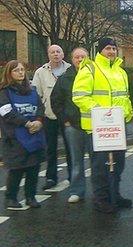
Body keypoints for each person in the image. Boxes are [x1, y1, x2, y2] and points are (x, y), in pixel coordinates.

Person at [72, 37, 133, 213]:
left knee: (118, 163)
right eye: (108, 48)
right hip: (97, 127)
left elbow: (124, 96)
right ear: (100, 51)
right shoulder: (90, 68)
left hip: (117, 126)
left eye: (114, 48)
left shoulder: (120, 72)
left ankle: (115, 194)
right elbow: (79, 95)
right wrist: (100, 112)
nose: (112, 52)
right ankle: (101, 199)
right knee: (100, 166)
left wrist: (127, 113)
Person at [0, 60, 45, 209]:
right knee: (17, 169)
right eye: (16, 70)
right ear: (9, 73)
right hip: (14, 137)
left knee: (34, 168)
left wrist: (38, 121)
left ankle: (30, 197)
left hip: (34, 135)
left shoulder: (32, 90)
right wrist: (26, 124)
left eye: (22, 70)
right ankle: (11, 198)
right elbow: (7, 113)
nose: (20, 72)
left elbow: (40, 107)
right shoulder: (4, 92)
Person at [50, 47, 90, 203]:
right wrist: (65, 121)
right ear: (72, 60)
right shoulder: (65, 78)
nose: (80, 60)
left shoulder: (95, 76)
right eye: (76, 57)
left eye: (83, 57)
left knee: (98, 161)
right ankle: (77, 191)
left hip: (93, 125)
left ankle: (102, 191)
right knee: (76, 161)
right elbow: (56, 101)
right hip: (73, 126)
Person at [32, 44, 72, 190]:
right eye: (52, 52)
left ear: (63, 54)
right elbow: (36, 94)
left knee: (70, 148)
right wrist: (39, 115)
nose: (56, 54)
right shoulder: (40, 72)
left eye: (58, 51)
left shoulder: (70, 70)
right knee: (51, 148)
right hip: (49, 116)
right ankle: (51, 178)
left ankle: (72, 176)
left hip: (67, 116)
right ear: (48, 55)